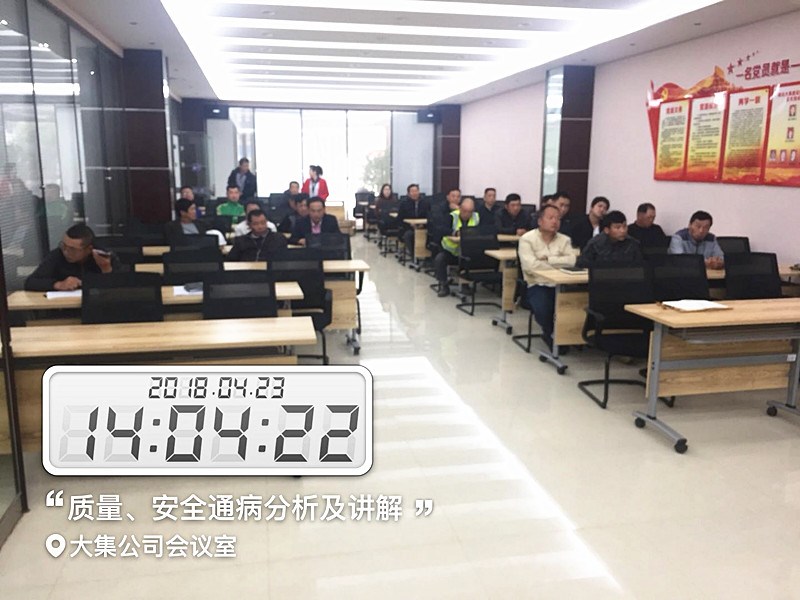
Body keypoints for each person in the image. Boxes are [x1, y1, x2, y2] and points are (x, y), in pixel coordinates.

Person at [518, 204, 576, 351]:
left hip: (562, 284)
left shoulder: (565, 240)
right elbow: (531, 267)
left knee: (575, 305)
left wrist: (549, 259)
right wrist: (558, 263)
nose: (555, 221)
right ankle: (550, 333)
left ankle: (569, 334)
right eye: (550, 218)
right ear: (540, 221)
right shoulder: (527, 239)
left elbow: (571, 261)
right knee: (544, 307)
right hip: (538, 284)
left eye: (558, 218)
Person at [25, 224, 121, 291]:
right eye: (63, 245)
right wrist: (58, 284)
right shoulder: (58, 254)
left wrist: (106, 269)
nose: (66, 252)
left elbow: (121, 288)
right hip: (64, 308)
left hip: (98, 307)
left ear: (89, 249)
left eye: (72, 249)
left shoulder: (104, 257)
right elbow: (30, 282)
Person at [433, 197, 480, 297]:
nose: (467, 214)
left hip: (468, 251)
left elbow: (482, 230)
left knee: (471, 259)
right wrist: (454, 233)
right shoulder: (451, 217)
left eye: (470, 212)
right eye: (465, 211)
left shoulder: (476, 217)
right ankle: (444, 285)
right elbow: (441, 230)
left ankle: (465, 285)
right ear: (460, 209)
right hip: (451, 251)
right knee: (439, 259)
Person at [576, 210, 643, 268]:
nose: (623, 231)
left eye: (624, 226)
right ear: (607, 230)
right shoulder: (595, 244)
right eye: (617, 227)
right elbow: (582, 265)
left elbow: (639, 267)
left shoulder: (632, 243)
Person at [397, 183, 430, 258]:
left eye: (416, 191)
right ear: (408, 193)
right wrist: (410, 225)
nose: (414, 193)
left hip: (423, 227)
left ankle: (427, 255)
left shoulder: (425, 203)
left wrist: (422, 224)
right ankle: (413, 255)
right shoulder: (404, 204)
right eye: (412, 191)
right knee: (408, 235)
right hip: (408, 227)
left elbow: (429, 216)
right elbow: (400, 219)